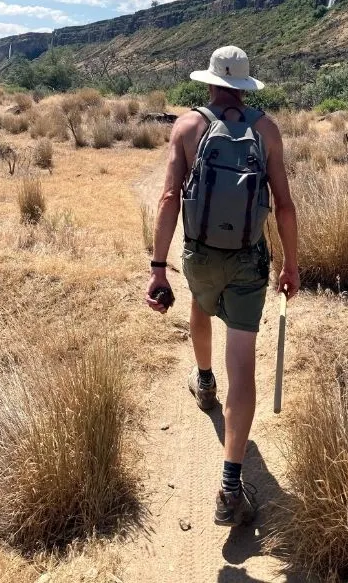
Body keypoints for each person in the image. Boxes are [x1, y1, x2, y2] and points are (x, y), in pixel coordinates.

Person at [145, 45, 299, 527]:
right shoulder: (266, 129)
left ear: (209, 82)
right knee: (245, 364)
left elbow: (171, 197)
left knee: (200, 303)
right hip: (250, 260)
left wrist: (157, 268)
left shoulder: (188, 126)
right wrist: (291, 265)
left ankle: (204, 381)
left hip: (199, 255)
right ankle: (231, 486)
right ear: (245, 85)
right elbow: (285, 205)